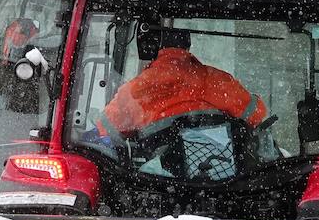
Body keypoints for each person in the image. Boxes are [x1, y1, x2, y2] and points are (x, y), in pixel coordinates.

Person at [99, 27, 267, 139]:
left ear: (154, 47)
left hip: (155, 179)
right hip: (225, 174)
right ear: (187, 46)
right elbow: (257, 114)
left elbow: (105, 129)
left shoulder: (135, 89)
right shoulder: (218, 81)